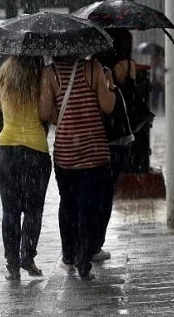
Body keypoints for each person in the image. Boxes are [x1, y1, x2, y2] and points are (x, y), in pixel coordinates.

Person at [44, 54, 115, 280]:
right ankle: (85, 259)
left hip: (66, 153)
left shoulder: (50, 73)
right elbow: (108, 106)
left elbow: (45, 113)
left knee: (68, 203)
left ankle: (69, 255)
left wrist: (65, 120)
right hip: (94, 151)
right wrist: (109, 84)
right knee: (90, 205)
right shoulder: (92, 68)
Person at [0, 55, 54, 281]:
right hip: (34, 152)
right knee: (33, 210)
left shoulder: (4, 73)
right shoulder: (43, 74)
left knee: (10, 211)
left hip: (4, 152)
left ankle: (12, 265)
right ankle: (27, 256)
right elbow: (45, 113)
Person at [93, 29, 136, 262]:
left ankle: (89, 241)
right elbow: (134, 97)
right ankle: (96, 242)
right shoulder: (126, 66)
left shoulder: (95, 67)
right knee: (106, 194)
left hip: (98, 136)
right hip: (120, 136)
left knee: (94, 192)